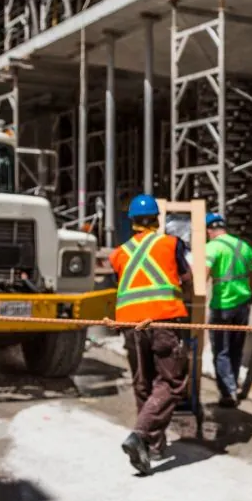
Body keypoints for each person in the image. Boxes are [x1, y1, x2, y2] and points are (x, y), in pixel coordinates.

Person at [110, 194, 192, 475]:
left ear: (131, 221)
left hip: (131, 326)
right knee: (173, 383)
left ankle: (153, 446)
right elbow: (187, 276)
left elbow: (121, 285)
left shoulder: (119, 253)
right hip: (163, 320)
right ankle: (140, 434)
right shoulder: (170, 244)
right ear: (157, 219)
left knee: (143, 383)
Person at [205, 212, 252, 407]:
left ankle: (228, 393)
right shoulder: (244, 246)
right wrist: (250, 293)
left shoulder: (212, 247)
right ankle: (233, 385)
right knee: (236, 348)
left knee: (221, 350)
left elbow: (203, 274)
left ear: (209, 230)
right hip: (243, 305)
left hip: (222, 306)